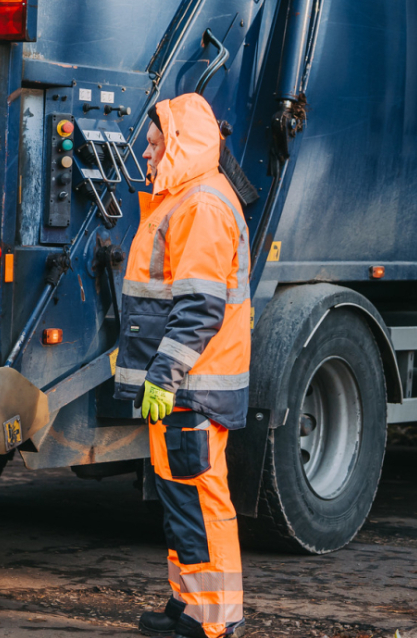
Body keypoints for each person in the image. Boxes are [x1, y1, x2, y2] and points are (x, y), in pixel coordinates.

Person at [113, 93, 251, 638]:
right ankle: (190, 603)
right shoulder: (187, 199)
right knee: (182, 493)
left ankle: (214, 620)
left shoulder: (202, 205)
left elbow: (199, 308)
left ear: (179, 144)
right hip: (183, 383)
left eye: (154, 144)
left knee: (198, 494)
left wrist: (165, 376)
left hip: (190, 384)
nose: (146, 155)